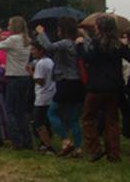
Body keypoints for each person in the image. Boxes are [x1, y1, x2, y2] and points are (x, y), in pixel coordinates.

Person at [76, 14, 130, 162]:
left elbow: (88, 58)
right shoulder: (118, 45)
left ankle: (94, 149)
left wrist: (80, 45)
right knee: (112, 121)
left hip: (96, 87)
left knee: (88, 118)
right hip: (114, 87)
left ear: (99, 28)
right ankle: (113, 153)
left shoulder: (95, 43)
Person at [36, 19, 84, 158]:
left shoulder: (66, 43)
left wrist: (41, 33)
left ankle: (66, 140)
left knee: (52, 113)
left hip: (65, 82)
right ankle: (78, 148)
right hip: (77, 83)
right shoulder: (79, 42)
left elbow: (49, 47)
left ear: (63, 30)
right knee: (74, 119)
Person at [0, 17, 33, 150]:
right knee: (22, 112)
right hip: (24, 77)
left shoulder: (13, 39)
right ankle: (27, 140)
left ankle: (17, 141)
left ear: (15, 26)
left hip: (14, 78)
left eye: (9, 24)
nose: (8, 26)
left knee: (10, 111)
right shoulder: (26, 40)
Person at [28, 41, 56, 154]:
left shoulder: (40, 64)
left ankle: (48, 146)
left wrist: (31, 72)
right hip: (51, 93)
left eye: (34, 49)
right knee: (46, 121)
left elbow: (40, 81)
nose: (32, 52)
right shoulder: (50, 61)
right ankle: (44, 143)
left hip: (42, 96)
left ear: (41, 50)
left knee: (38, 122)